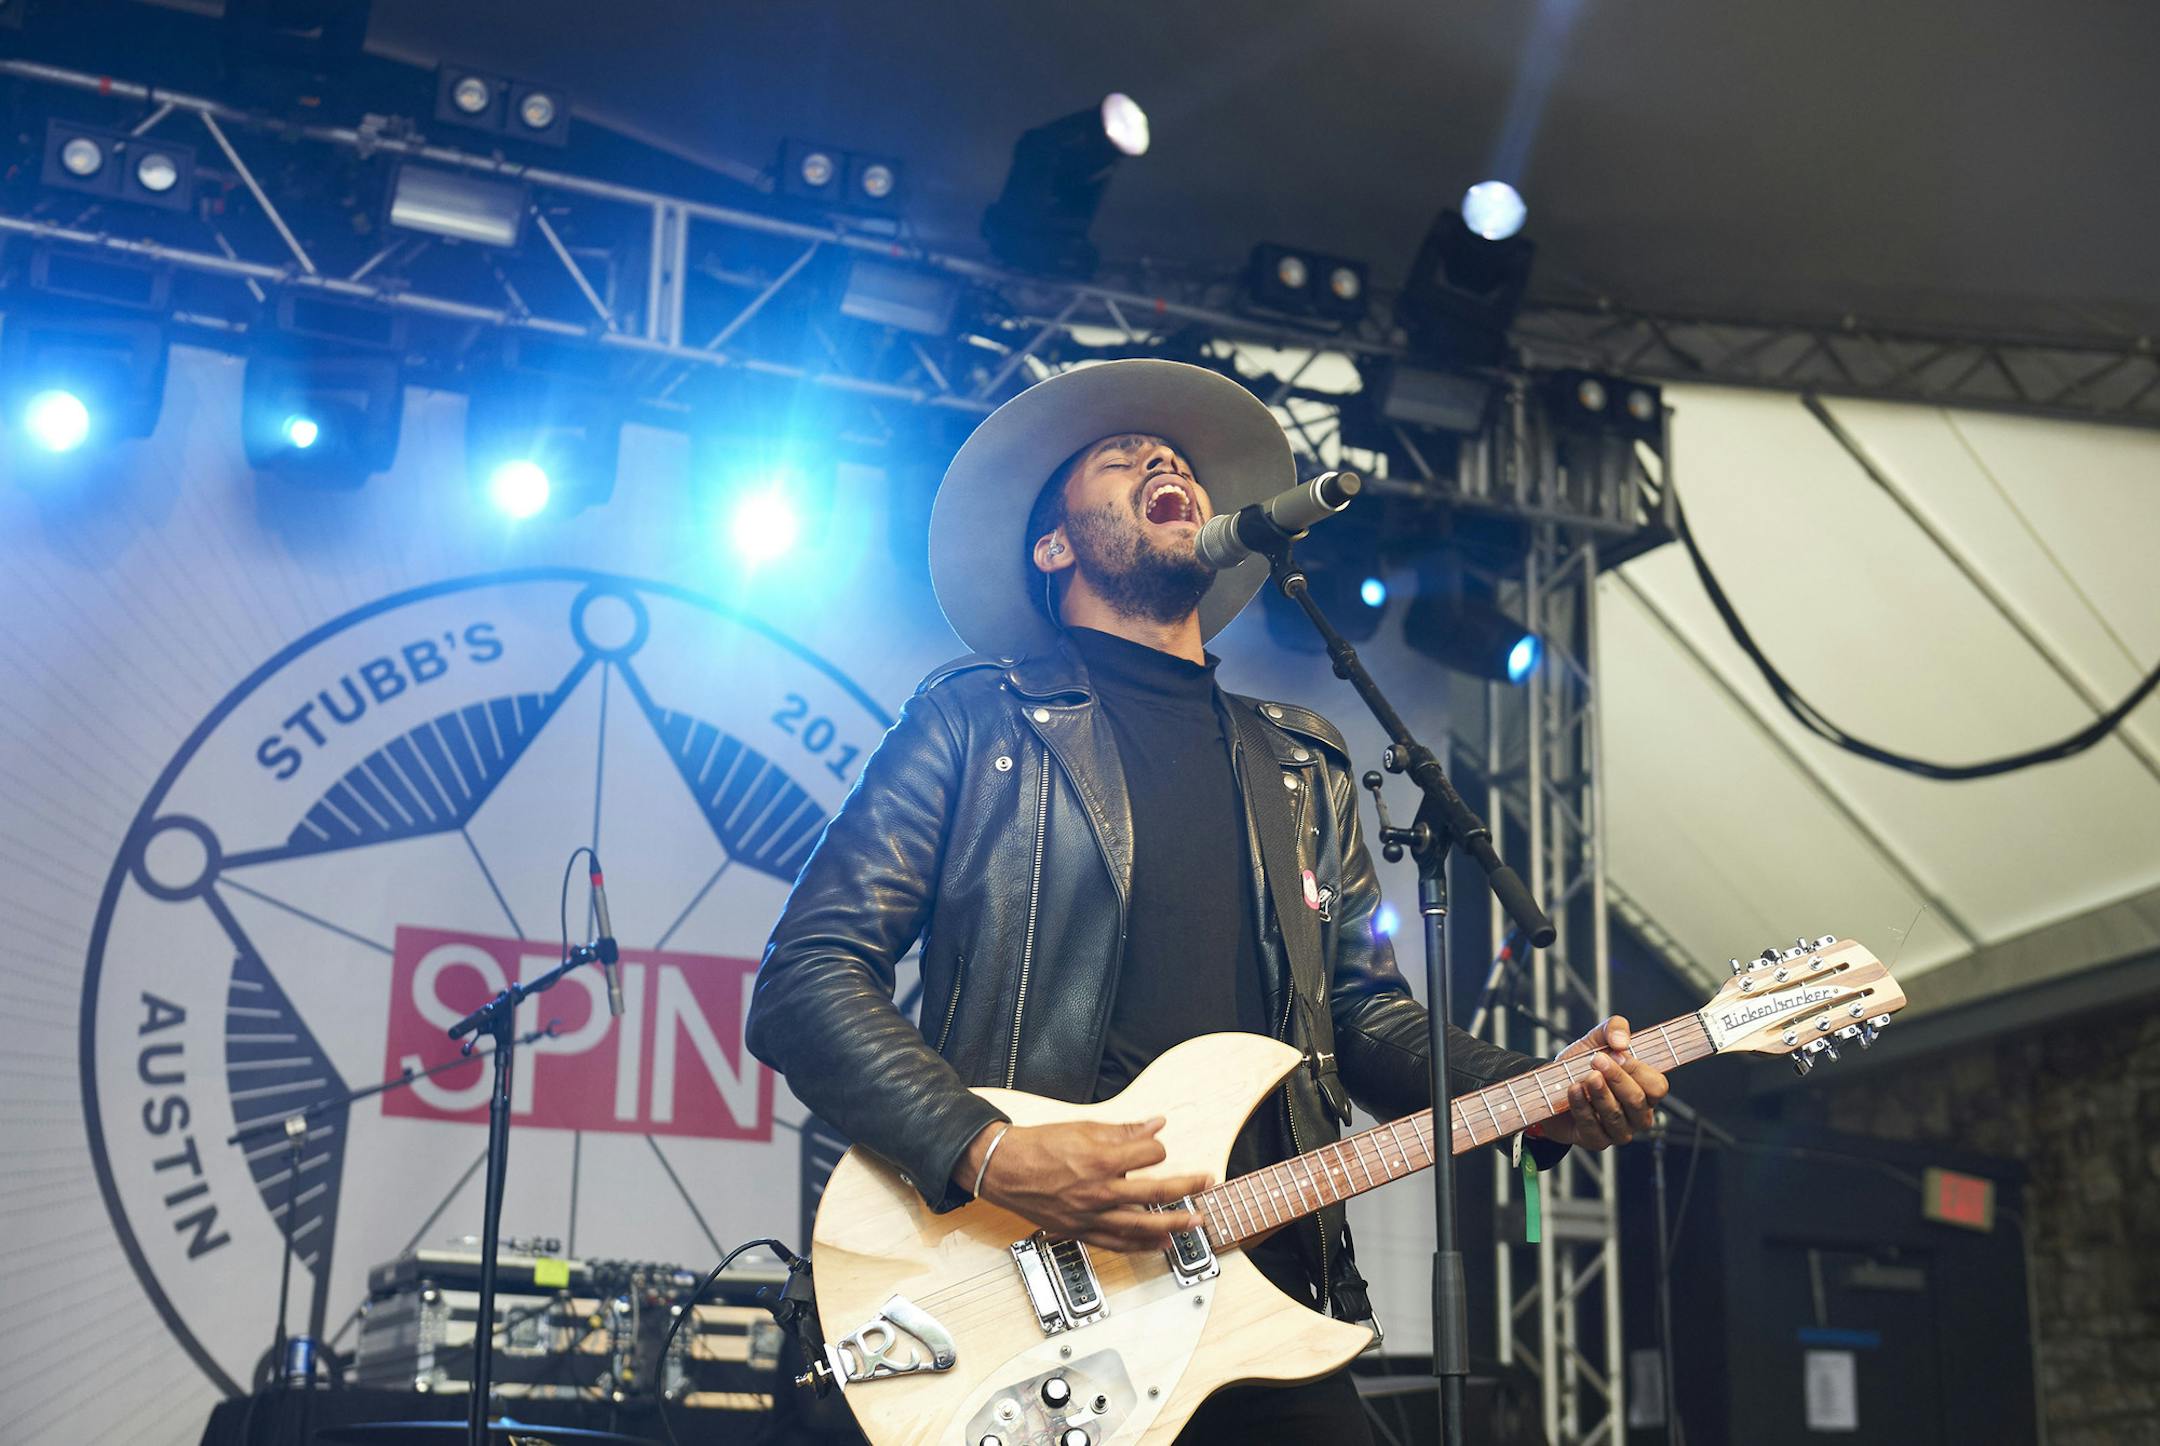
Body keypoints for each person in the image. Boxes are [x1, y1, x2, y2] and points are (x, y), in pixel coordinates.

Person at [745, 358, 1669, 1443]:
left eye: (1174, 457)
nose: (1164, 460)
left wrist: (1534, 1090)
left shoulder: (1302, 761)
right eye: (1120, 458)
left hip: (1259, 1285)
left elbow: (1360, 1017)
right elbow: (807, 978)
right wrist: (989, 1150)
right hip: (1030, 1288)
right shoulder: (975, 723)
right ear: (1054, 547)